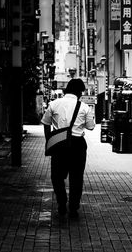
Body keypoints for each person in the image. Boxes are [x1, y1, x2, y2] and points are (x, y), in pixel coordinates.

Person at [41, 79, 95, 218]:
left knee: (57, 176)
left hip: (59, 143)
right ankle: (73, 207)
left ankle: (61, 202)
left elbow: (45, 123)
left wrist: (50, 140)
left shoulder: (54, 104)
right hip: (78, 144)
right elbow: (91, 126)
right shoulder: (84, 107)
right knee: (76, 177)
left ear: (67, 89)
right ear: (80, 92)